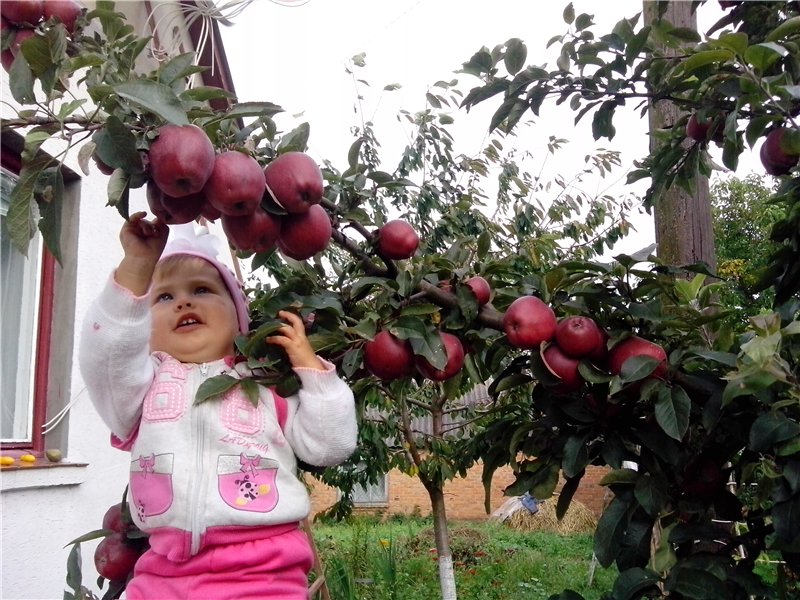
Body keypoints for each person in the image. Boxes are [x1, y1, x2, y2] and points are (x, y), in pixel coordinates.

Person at [79, 212, 358, 600]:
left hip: (263, 574)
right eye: (164, 296)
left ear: (238, 321)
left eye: (203, 289)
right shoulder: (139, 389)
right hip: (164, 572)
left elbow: (331, 444)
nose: (184, 301)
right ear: (142, 327)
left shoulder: (262, 387)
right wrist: (137, 267)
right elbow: (103, 356)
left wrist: (312, 370)